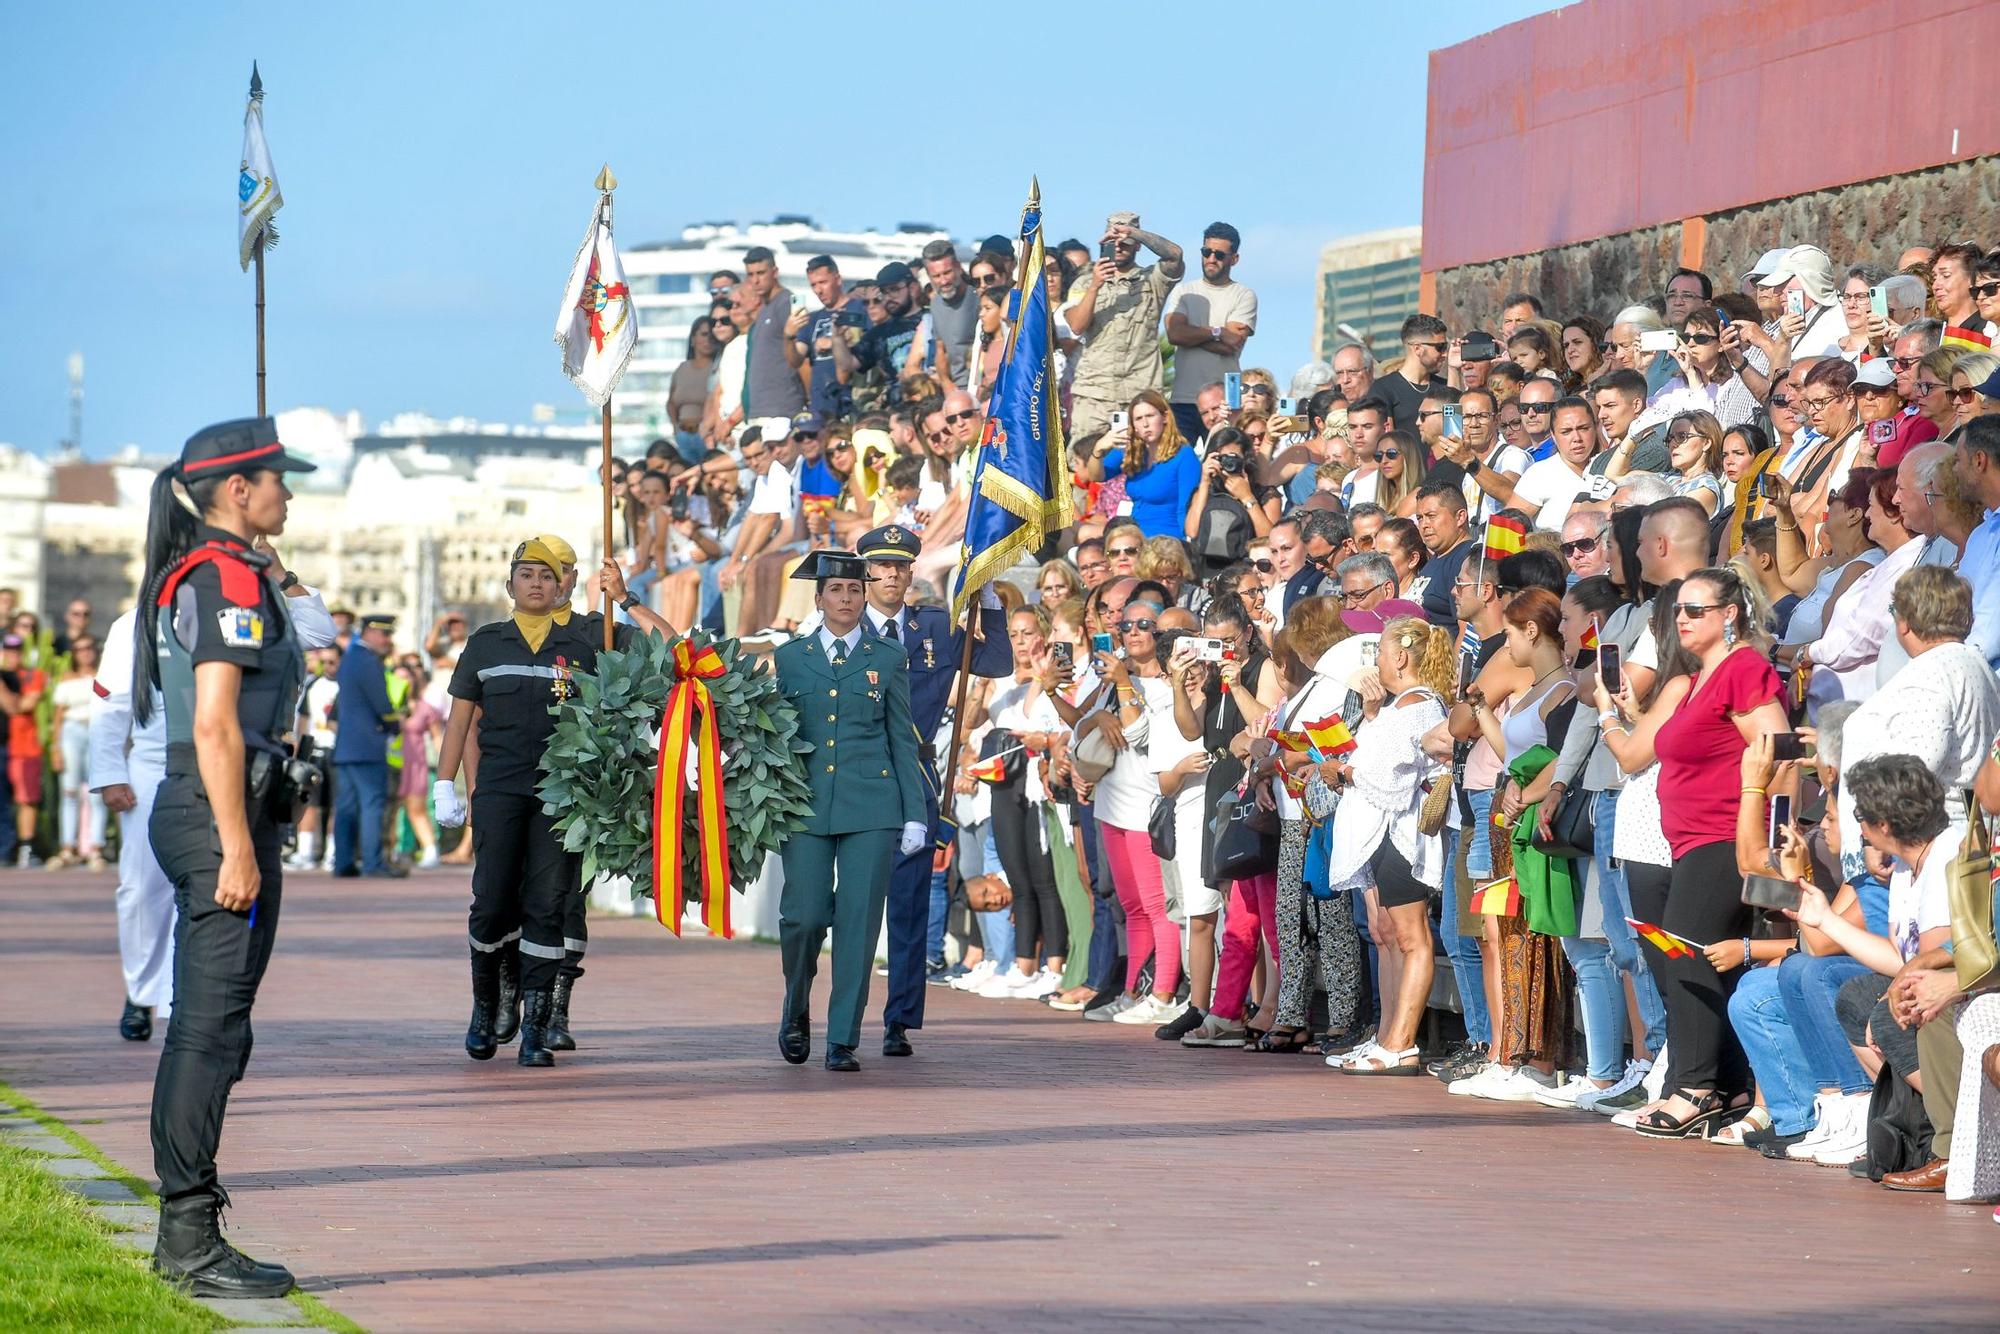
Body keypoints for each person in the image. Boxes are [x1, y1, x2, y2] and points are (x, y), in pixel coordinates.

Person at [133, 417, 319, 1298]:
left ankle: (190, 1224)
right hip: (218, 815)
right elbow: (214, 724)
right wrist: (237, 847)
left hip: (218, 808)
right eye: (278, 479)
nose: (290, 492)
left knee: (216, 1030)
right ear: (237, 491)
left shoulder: (230, 571)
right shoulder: (226, 575)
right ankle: (188, 1239)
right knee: (208, 1033)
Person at [433, 540, 674, 1067]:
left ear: (564, 582)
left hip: (563, 794)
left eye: (546, 574)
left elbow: (670, 650)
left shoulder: (590, 636)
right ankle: (485, 1008)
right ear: (509, 585)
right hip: (498, 788)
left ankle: (537, 1029)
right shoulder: (486, 643)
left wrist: (626, 598)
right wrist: (445, 784)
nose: (536, 583)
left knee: (547, 905)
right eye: (526, 574)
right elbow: (459, 719)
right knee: (492, 901)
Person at [1599, 565, 1787, 1138]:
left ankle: (1695, 1089)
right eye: (1678, 610)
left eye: (1695, 610)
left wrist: (1775, 847)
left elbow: (1779, 752)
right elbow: (1641, 753)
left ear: (1729, 615)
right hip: (1688, 840)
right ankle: (1722, 1084)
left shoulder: (1742, 669)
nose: (1681, 619)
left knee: (1685, 955)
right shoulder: (1697, 679)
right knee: (1689, 959)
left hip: (1728, 837)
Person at [854, 524, 1011, 1058]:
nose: (892, 574)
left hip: (913, 784)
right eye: (882, 565)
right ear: (866, 572)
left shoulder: (934, 626)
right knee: (852, 908)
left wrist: (987, 595)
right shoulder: (843, 629)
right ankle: (838, 1016)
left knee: (909, 906)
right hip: (855, 780)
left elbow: (996, 663)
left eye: (901, 565)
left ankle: (899, 1019)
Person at [769, 553, 927, 1072]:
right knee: (804, 916)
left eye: (853, 590)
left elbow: (901, 737)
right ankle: (796, 1004)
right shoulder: (792, 658)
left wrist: (915, 812)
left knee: (859, 923)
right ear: (818, 599)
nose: (845, 598)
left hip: (872, 805)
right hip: (806, 807)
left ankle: (842, 1037)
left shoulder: (888, 656)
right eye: (835, 589)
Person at [1321, 615, 1454, 1074]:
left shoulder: (1418, 705)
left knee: (1412, 936)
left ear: (1399, 656)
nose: (1374, 659)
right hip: (1382, 833)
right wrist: (1369, 724)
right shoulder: (1398, 707)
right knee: (1390, 934)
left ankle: (1401, 1041)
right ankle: (1386, 1035)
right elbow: (1375, 756)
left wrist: (1345, 772)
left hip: (1402, 833)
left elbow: (1389, 779)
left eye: (1379, 650)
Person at [1061, 210, 1185, 435]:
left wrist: (1136, 233)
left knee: (1141, 464)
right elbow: (1077, 326)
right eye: (1112, 242)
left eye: (1126, 243)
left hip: (1140, 395)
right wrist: (1096, 285)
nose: (1118, 247)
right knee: (1086, 461)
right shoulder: (1084, 282)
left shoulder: (1153, 280)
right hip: (1094, 394)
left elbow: (1175, 256)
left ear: (1137, 245)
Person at [1163, 221, 1258, 443]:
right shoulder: (1184, 291)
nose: (1211, 259)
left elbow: (1232, 343)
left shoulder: (1244, 295)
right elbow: (1174, 335)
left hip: (1224, 403)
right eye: (1206, 252)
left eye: (1219, 254)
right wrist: (1218, 331)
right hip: (1183, 400)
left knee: (1222, 463)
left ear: (1234, 258)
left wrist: (1190, 336)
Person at [329, 614, 404, 878]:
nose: (387, 640)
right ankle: (373, 863)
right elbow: (382, 705)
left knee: (347, 807)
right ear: (369, 633)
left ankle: (343, 862)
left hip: (346, 747)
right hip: (367, 745)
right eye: (383, 634)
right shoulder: (369, 662)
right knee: (372, 804)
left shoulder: (350, 659)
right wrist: (395, 723)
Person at [1083, 389, 1200, 540]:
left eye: (1150, 416)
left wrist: (1186, 546)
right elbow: (1096, 476)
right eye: (1138, 419)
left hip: (1167, 537)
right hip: (1134, 534)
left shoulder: (1184, 455)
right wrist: (1098, 449)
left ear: (1165, 417)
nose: (1145, 424)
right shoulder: (1131, 449)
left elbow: (1186, 508)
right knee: (1083, 535)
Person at [49, 634, 107, 869]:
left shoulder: (104, 675)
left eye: (89, 648)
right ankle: (67, 847)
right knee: (70, 791)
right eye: (79, 649)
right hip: (72, 732)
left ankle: (95, 848)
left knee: (97, 792)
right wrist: (55, 748)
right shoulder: (66, 678)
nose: (85, 653)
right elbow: (58, 716)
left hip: (96, 728)